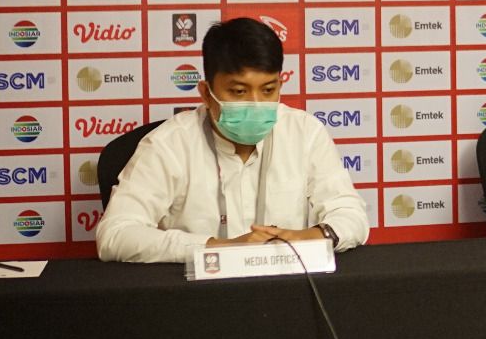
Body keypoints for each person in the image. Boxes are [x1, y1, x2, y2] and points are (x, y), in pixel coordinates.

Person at [96, 17, 368, 262]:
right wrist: (216, 247)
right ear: (205, 93)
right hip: (195, 299)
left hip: (287, 291)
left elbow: (352, 215)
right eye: (239, 91)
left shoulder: (305, 132)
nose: (256, 103)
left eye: (268, 90)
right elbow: (115, 235)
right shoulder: (169, 143)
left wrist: (311, 236)